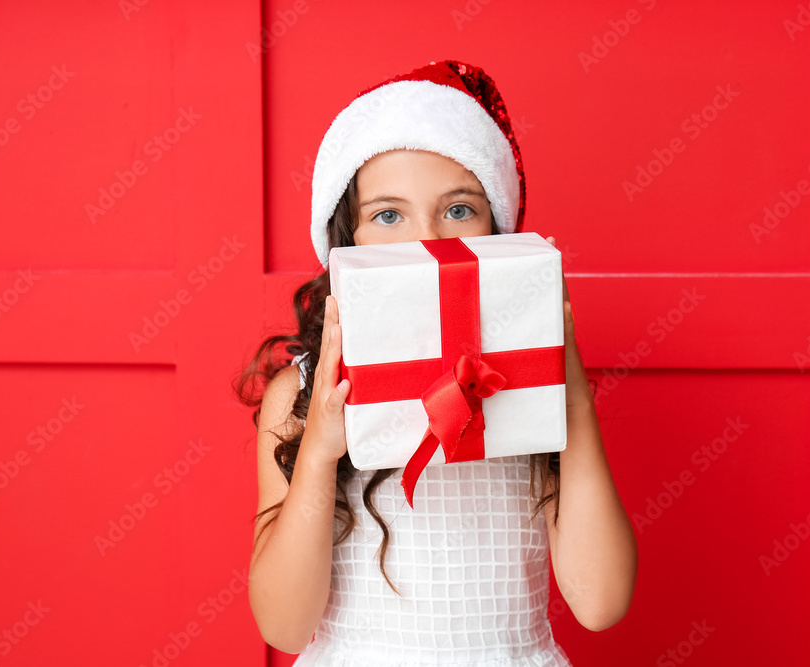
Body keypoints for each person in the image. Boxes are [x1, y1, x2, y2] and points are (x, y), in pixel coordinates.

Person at [237, 60, 637, 666]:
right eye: (388, 215)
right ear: (345, 241)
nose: (427, 240)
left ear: (497, 229)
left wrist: (570, 392)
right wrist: (319, 451)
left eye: (457, 209)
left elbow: (600, 601)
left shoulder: (527, 385)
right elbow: (285, 627)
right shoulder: (298, 394)